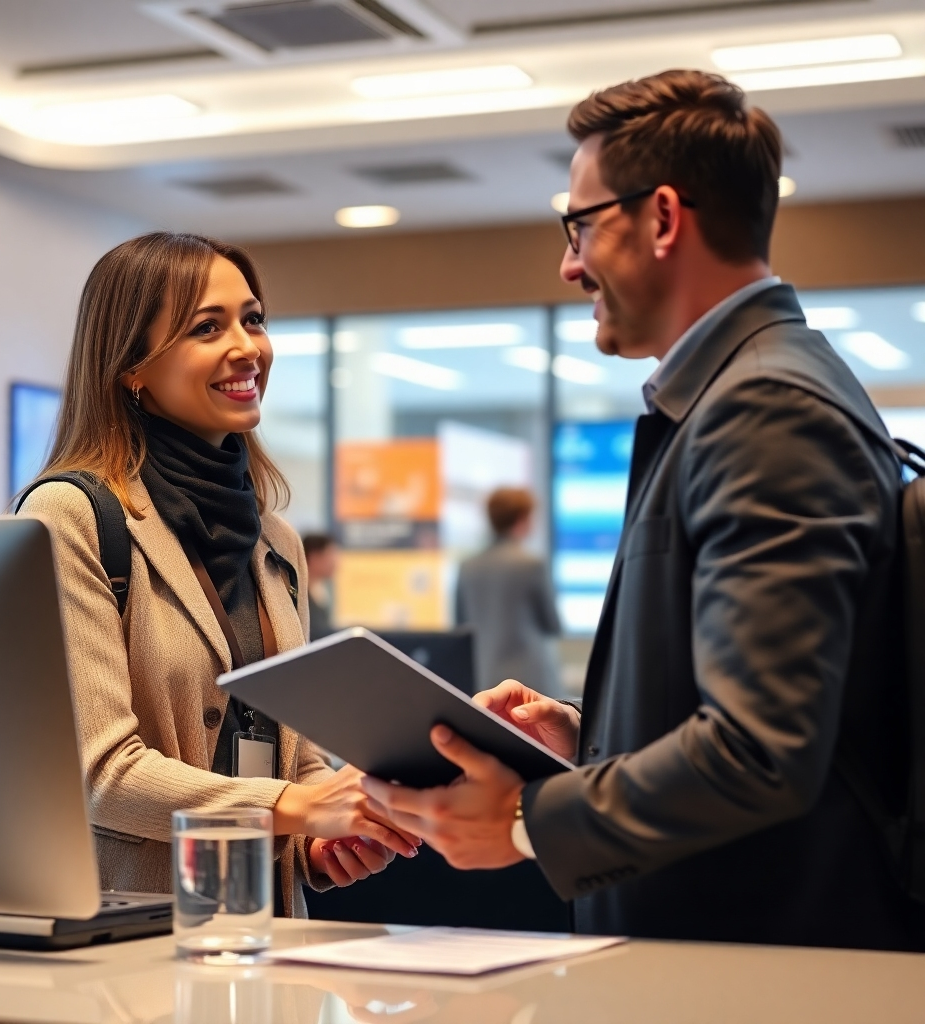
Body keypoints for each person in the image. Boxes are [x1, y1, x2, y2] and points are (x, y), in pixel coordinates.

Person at [362, 70, 925, 951]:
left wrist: (524, 820)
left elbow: (762, 749)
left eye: (581, 225)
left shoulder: (766, 407)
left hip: (757, 963)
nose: (569, 263)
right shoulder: (741, 393)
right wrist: (592, 736)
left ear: (662, 218)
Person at [19, 232, 418, 917]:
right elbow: (100, 775)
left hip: (264, 935)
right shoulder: (71, 517)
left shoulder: (277, 541)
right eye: (208, 327)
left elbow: (291, 755)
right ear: (132, 366)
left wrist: (318, 843)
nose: (247, 347)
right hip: (132, 936)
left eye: (253, 319)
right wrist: (297, 806)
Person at [455, 488, 561, 695]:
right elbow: (553, 625)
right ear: (522, 519)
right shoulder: (531, 565)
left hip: (485, 680)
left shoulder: (467, 567)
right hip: (532, 683)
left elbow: (461, 626)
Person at [302, 532, 338, 642]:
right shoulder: (299, 594)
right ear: (314, 557)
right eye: (330, 555)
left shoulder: (321, 591)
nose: (335, 563)